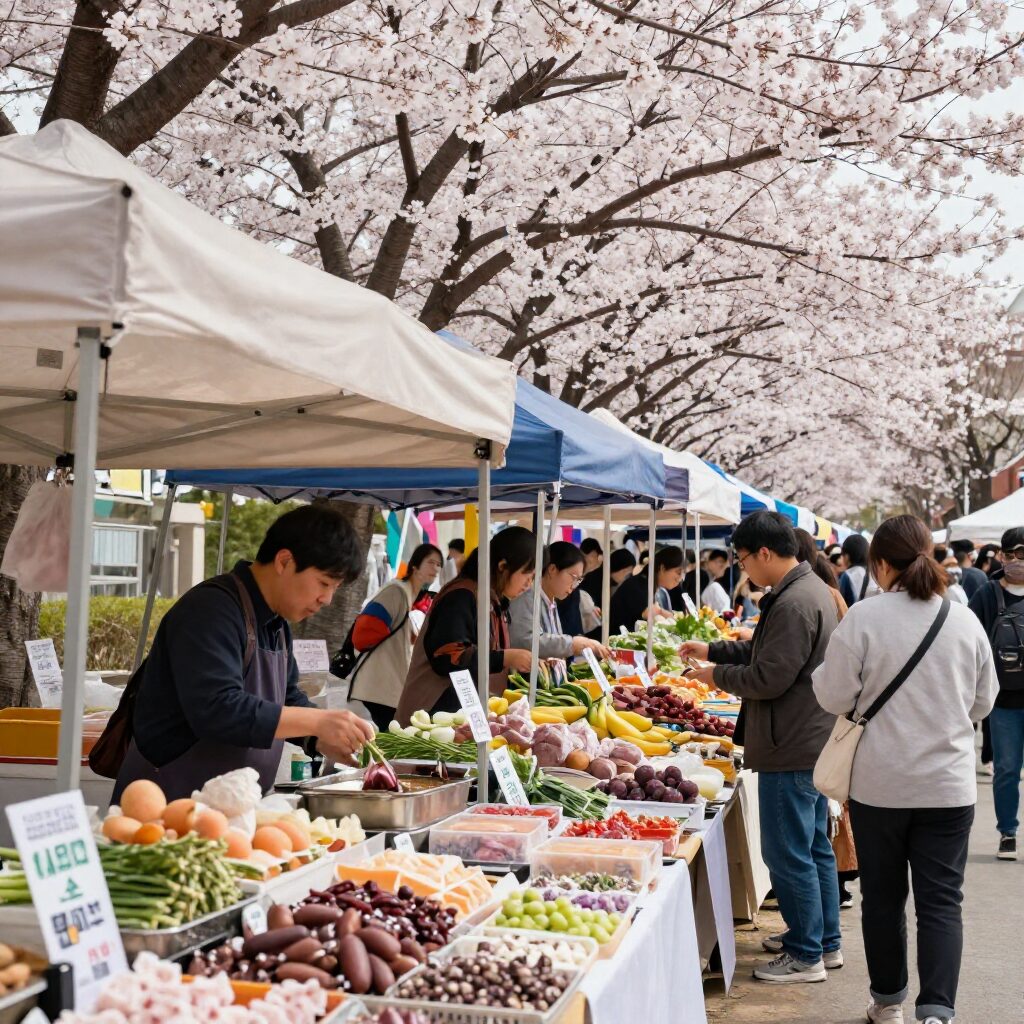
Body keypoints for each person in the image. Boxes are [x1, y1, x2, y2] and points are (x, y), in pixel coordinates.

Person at [813, 515, 997, 1024]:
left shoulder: (865, 618)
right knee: (941, 901)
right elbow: (984, 702)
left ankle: (888, 1002)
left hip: (880, 785)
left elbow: (832, 695)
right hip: (949, 787)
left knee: (884, 898)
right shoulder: (963, 620)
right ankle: (937, 1010)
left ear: (879, 563)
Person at [111, 505, 375, 803]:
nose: (327, 599)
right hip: (166, 804)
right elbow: (218, 708)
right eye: (324, 583)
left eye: (335, 588)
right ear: (285, 561)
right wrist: (317, 722)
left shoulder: (277, 625)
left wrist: (318, 738)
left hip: (229, 809)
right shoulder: (211, 610)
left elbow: (287, 699)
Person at [680, 510, 840, 984]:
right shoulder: (805, 591)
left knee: (788, 852)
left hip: (789, 741)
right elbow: (767, 653)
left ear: (765, 553)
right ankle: (821, 941)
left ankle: (806, 952)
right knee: (812, 848)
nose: (743, 568)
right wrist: (714, 651)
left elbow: (768, 677)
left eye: (744, 559)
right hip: (805, 738)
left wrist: (714, 676)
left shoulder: (793, 602)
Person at [395, 527, 535, 722]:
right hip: (434, 715)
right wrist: (504, 658)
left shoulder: (492, 598)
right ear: (502, 566)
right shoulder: (461, 595)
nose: (529, 584)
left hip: (463, 714)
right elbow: (448, 656)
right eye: (527, 575)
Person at [968, 525, 1024, 860]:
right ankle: (1008, 831)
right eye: (1013, 554)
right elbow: (970, 642)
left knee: (1006, 767)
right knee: (1006, 768)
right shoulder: (987, 594)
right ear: (1001, 555)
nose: (1018, 560)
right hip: (1002, 699)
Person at [349, 542, 444, 731]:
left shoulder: (410, 596)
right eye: (430, 562)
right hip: (379, 686)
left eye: (439, 564)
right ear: (415, 565)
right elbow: (364, 633)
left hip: (388, 687)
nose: (435, 568)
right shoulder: (396, 592)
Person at [509, 542, 612, 661]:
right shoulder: (526, 597)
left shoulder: (551, 601)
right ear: (552, 569)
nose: (573, 586)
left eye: (578, 581)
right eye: (573, 578)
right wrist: (571, 644)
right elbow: (526, 640)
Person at [609, 546, 684, 634]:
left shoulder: (649, 585)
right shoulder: (638, 588)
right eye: (678, 572)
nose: (680, 578)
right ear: (662, 568)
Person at [838, 534, 880, 606]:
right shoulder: (875, 574)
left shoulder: (848, 575)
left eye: (843, 555)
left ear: (847, 556)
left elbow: (840, 606)